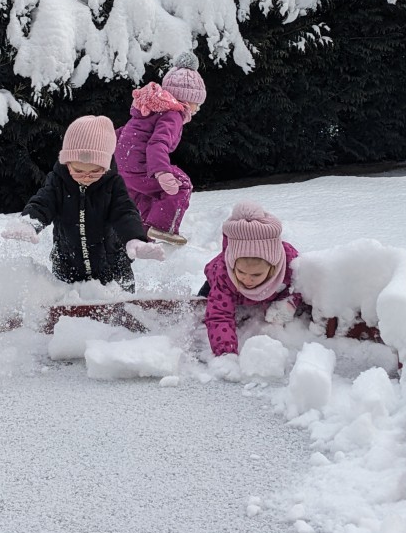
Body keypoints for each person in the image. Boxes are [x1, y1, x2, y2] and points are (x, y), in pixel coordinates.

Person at [1, 115, 166, 288]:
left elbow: (125, 212)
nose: (86, 177)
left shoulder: (113, 184)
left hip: (113, 269)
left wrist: (134, 239)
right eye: (78, 171)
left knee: (118, 300)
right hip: (67, 267)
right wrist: (30, 222)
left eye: (95, 171)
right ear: (67, 163)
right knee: (67, 301)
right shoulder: (58, 182)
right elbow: (43, 202)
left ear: (106, 166)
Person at [115, 51, 206, 246]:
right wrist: (162, 172)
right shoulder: (173, 115)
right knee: (181, 184)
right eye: (197, 104)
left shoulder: (150, 109)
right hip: (142, 167)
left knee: (147, 198)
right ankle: (164, 228)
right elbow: (157, 144)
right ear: (186, 100)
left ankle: (143, 237)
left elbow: (125, 133)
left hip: (124, 167)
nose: (197, 110)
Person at [199, 201, 302, 365]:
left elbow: (300, 285)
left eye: (256, 274)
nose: (247, 280)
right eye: (241, 272)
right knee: (205, 309)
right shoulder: (224, 275)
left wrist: (289, 302)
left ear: (273, 267)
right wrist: (226, 353)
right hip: (221, 287)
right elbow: (219, 316)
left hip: (271, 291)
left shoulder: (289, 264)